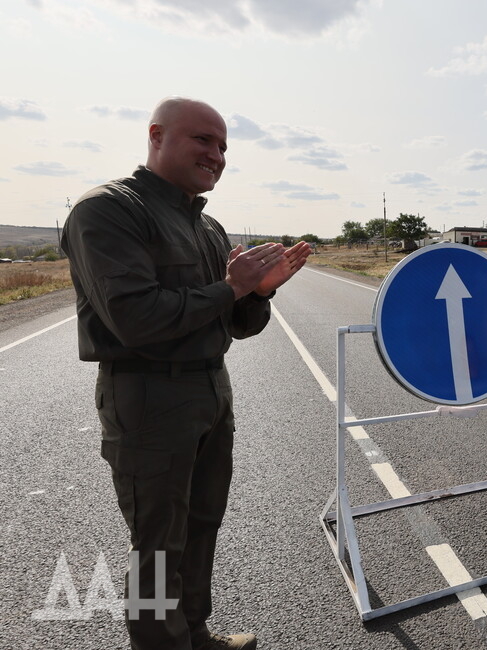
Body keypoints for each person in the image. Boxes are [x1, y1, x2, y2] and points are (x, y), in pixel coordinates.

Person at [61, 97, 311, 650]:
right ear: (156, 135)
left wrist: (256, 295)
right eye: (203, 140)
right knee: (155, 550)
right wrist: (233, 286)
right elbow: (135, 318)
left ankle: (195, 633)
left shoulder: (209, 226)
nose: (216, 155)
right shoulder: (106, 211)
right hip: (147, 394)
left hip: (209, 388)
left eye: (223, 146)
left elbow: (238, 324)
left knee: (202, 524)